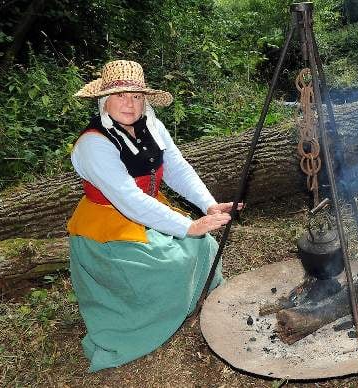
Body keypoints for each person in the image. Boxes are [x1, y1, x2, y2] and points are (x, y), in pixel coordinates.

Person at [67, 60, 240, 372]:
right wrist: (188, 226)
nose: (129, 104)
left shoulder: (152, 125)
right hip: (107, 227)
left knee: (203, 246)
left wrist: (208, 205)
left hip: (147, 208)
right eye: (120, 96)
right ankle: (143, 322)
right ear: (105, 101)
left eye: (136, 96)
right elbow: (128, 200)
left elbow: (175, 167)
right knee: (169, 265)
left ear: (145, 99)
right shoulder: (93, 144)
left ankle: (193, 302)